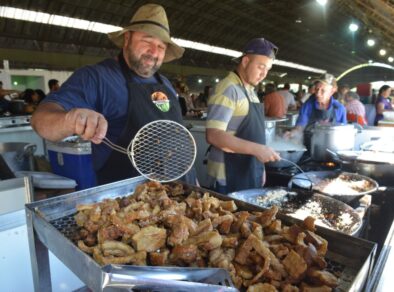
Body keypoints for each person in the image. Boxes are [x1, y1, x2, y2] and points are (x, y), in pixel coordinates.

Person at [31, 4, 196, 185]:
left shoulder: (165, 84)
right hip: (127, 203)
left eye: (161, 46)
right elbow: (40, 120)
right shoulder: (96, 77)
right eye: (147, 41)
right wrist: (71, 119)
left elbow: (178, 140)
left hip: (181, 193)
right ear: (127, 39)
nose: (154, 52)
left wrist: (194, 182)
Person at [206, 37, 280, 194]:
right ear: (245, 61)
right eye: (260, 67)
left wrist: (260, 169)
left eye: (267, 69)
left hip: (249, 170)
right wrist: (258, 150)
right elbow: (214, 135)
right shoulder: (228, 88)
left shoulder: (251, 91)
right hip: (228, 175)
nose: (263, 74)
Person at [287, 74, 347, 146]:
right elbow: (300, 125)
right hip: (309, 145)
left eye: (323, 91)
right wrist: (293, 133)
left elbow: (343, 133)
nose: (318, 94)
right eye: (316, 89)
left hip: (330, 148)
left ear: (332, 91)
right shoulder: (308, 105)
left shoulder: (339, 108)